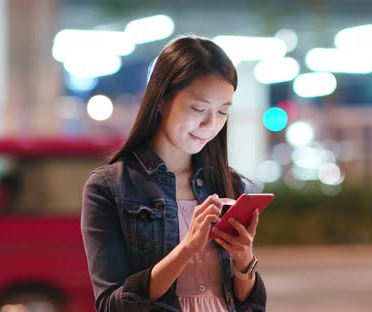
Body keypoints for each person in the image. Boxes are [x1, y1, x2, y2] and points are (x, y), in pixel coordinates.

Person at [81, 35, 267, 312]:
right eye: (198, 108)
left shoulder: (228, 183)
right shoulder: (110, 188)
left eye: (222, 112)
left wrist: (244, 261)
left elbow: (248, 302)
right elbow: (111, 305)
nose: (210, 124)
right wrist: (187, 249)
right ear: (161, 100)